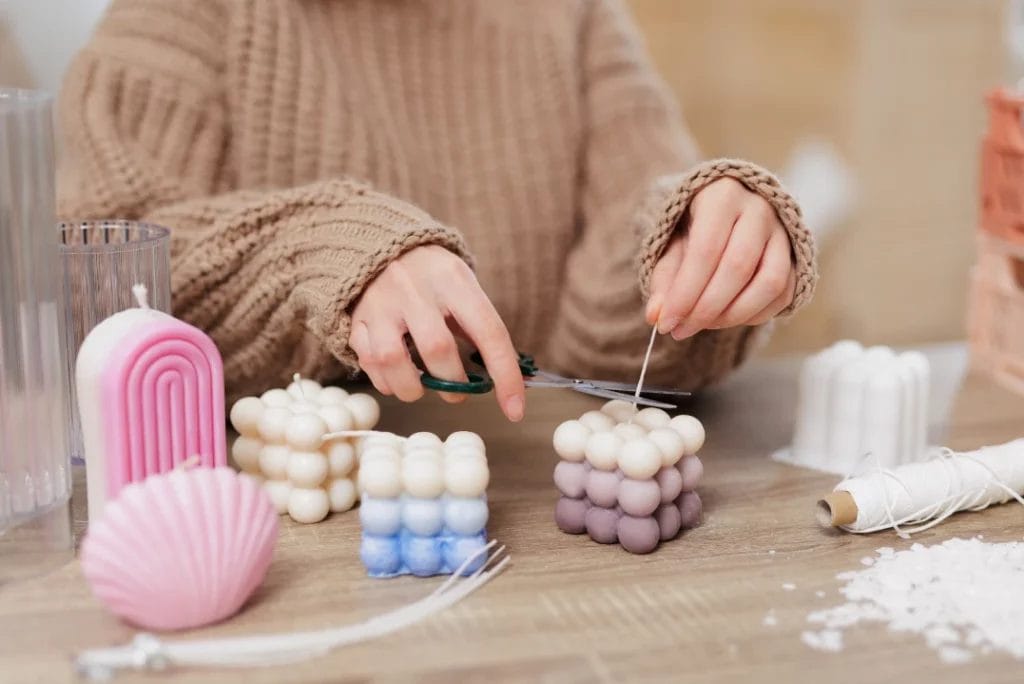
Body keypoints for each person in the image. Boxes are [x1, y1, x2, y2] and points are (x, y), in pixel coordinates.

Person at [58, 0, 817, 423]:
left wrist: (700, 242)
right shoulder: (188, 14)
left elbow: (620, 316)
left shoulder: (571, 15)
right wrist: (321, 252)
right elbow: (95, 283)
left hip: (530, 545)